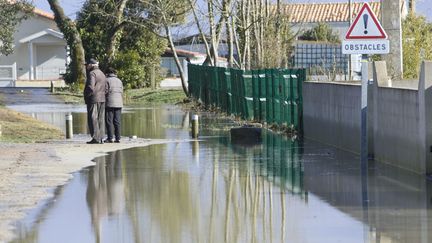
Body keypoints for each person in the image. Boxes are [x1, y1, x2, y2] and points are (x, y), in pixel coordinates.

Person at [84, 58, 107, 144]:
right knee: (100, 119)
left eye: (87, 65)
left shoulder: (92, 73)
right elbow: (106, 87)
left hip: (93, 99)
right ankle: (101, 138)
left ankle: (95, 138)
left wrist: (87, 95)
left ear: (92, 65)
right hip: (102, 99)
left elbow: (90, 87)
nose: (86, 66)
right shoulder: (102, 73)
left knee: (93, 118)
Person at [104, 67, 123, 143]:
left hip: (110, 103)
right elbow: (121, 91)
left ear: (107, 73)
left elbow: (105, 91)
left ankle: (110, 138)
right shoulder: (119, 80)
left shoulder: (106, 80)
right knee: (117, 121)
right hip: (119, 103)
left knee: (109, 121)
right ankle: (118, 138)